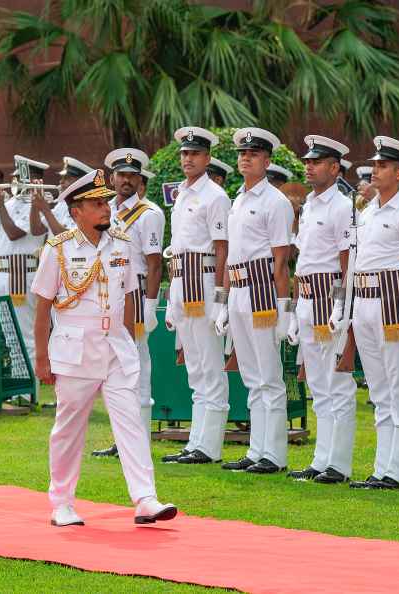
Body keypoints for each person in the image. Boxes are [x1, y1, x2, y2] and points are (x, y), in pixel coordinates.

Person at [32, 168, 177, 526]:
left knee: (130, 421)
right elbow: (42, 308)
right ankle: (62, 502)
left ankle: (145, 498)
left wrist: (126, 338)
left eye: (105, 202)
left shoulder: (122, 243)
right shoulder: (59, 248)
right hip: (75, 347)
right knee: (69, 427)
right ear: (76, 210)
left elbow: (129, 297)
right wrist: (41, 357)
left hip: (115, 346)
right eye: (96, 203)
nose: (105, 208)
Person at [333, 136, 399, 491]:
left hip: (393, 301)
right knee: (378, 389)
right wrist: (346, 309)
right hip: (366, 302)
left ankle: (396, 471)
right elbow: (354, 265)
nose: (375, 171)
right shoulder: (367, 211)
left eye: (383, 166)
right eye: (374, 165)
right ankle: (380, 468)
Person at [214, 128, 294, 474]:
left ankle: (273, 454)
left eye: (254, 154)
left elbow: (281, 260)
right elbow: (232, 254)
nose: (246, 158)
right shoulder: (239, 199)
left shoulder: (275, 201)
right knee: (249, 375)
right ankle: (256, 449)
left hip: (263, 288)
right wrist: (224, 301)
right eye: (242, 154)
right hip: (239, 287)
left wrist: (284, 310)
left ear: (267, 160)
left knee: (268, 376)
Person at [286, 135, 357, 484]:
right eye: (308, 162)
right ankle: (321, 458)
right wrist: (296, 307)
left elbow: (347, 260)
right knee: (317, 382)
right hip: (308, 296)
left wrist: (341, 304)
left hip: (330, 296)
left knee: (336, 382)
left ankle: (338, 463)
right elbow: (303, 262)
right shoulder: (310, 205)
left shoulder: (342, 206)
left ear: (334, 167)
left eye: (317, 162)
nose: (309, 167)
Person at [162, 126, 231, 464]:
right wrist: (171, 299)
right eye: (184, 154)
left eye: (195, 154)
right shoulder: (182, 194)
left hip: (203, 282)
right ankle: (196, 441)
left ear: (207, 158)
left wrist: (220, 298)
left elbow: (222, 250)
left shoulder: (215, 196)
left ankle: (210, 445)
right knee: (194, 366)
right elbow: (177, 249)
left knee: (210, 364)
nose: (188, 159)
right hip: (181, 281)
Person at [92, 149, 165, 458]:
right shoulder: (103, 209)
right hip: (108, 293)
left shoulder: (149, 213)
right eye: (121, 175)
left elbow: (155, 263)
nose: (126, 180)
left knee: (137, 364)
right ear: (112, 178)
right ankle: (121, 439)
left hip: (134, 294)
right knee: (113, 368)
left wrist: (150, 305)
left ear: (140, 180)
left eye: (132, 176)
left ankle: (139, 440)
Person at [0, 155, 48, 399]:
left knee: (26, 333)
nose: (16, 182)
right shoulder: (10, 203)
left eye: (21, 177)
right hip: (3, 272)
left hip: (23, 273)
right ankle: (18, 388)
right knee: (10, 333)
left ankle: (30, 391)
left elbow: (15, 233)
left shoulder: (40, 202)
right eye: (16, 177)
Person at [31, 156, 91, 238]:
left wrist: (45, 210)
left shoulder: (88, 206)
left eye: (66, 178)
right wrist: (35, 204)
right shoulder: (62, 204)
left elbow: (69, 238)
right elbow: (37, 231)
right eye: (61, 178)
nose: (61, 181)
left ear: (81, 182)